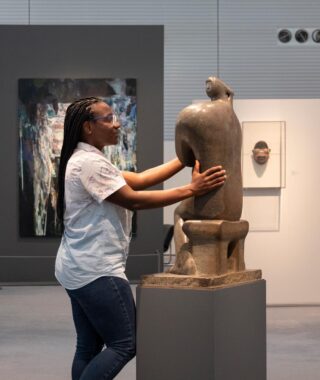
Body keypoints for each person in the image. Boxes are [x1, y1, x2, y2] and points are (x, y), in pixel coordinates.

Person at [55, 97, 227, 380]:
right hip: (96, 270)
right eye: (108, 118)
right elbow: (134, 200)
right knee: (124, 344)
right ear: (88, 127)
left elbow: (142, 178)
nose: (117, 123)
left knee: (88, 345)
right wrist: (192, 189)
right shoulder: (89, 164)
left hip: (76, 266)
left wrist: (183, 158)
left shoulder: (86, 159)